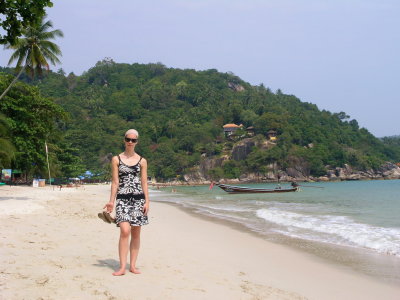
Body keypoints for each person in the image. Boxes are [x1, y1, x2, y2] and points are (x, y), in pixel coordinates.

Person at [103, 129, 149, 276]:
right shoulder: (116, 159)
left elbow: (144, 182)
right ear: (124, 140)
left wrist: (147, 201)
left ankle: (133, 266)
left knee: (136, 233)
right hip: (122, 199)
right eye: (128, 139)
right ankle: (122, 267)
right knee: (124, 231)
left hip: (138, 200)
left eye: (133, 140)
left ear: (137, 142)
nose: (130, 142)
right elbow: (115, 182)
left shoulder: (142, 161)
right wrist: (111, 201)